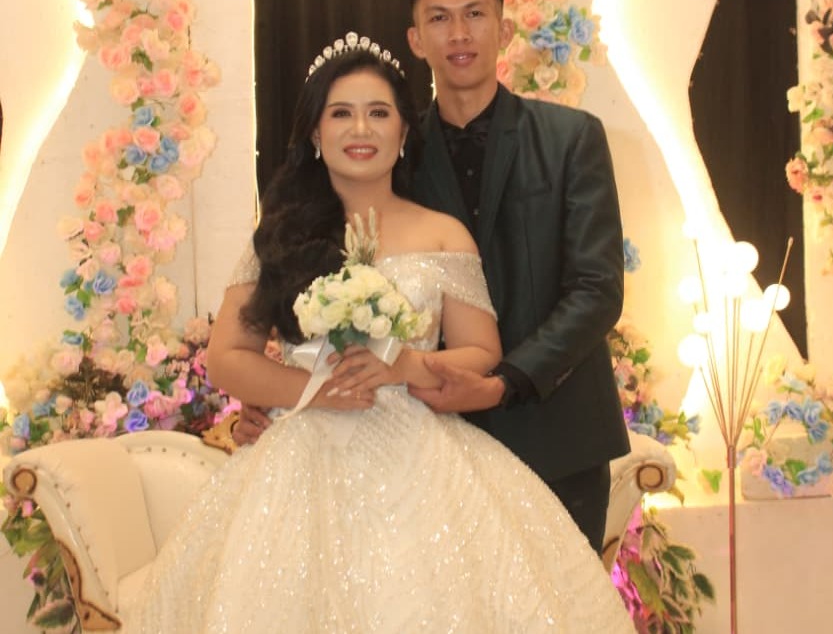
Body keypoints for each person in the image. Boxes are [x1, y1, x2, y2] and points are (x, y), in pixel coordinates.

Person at [127, 43, 634, 632]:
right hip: (300, 458)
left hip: (422, 456)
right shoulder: (279, 236)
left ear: (403, 132)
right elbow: (228, 358)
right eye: (341, 113)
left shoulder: (443, 233)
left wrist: (404, 366)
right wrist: (317, 390)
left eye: (379, 113)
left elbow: (483, 351)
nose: (361, 129)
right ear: (315, 132)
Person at [236, 0, 631, 555]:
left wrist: (504, 382)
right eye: (440, 19)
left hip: (555, 428)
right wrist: (276, 394)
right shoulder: (392, 151)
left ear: (503, 28)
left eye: (475, 14)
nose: (459, 33)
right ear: (416, 39)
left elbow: (596, 289)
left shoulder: (570, 138)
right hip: (429, 440)